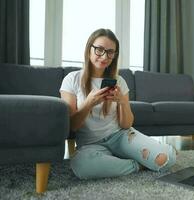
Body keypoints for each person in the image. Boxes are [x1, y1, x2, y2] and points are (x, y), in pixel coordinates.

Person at [60, 28, 177, 179]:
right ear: (89, 49)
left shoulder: (119, 81)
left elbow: (126, 124)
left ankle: (144, 154)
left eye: (110, 52)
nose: (104, 56)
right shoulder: (72, 79)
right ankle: (137, 164)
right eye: (99, 50)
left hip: (121, 137)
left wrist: (123, 102)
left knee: (166, 159)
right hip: (90, 144)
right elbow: (72, 126)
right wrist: (88, 103)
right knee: (82, 167)